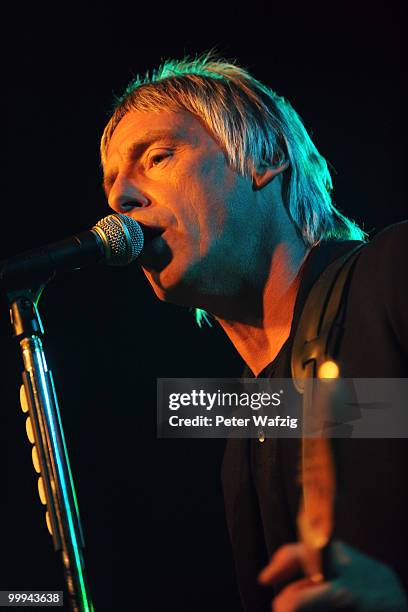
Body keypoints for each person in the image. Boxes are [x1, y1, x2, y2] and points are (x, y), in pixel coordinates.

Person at [100, 53, 408, 611]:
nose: (121, 198)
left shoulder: (394, 274)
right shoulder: (242, 424)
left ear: (263, 156)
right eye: (113, 182)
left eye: (158, 157)